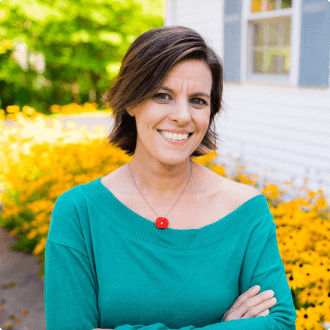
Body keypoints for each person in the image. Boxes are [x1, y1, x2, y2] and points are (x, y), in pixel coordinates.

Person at [44, 26, 297, 330]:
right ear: (131, 101)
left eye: (198, 100)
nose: (182, 115)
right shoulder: (79, 212)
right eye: (162, 96)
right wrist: (224, 326)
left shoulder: (246, 210)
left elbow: (280, 323)